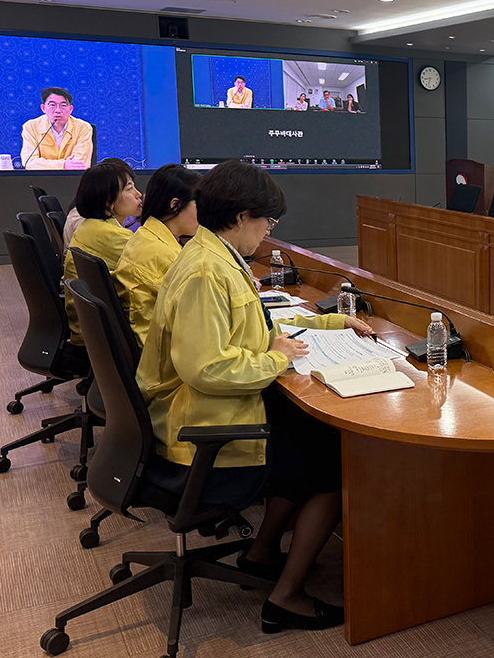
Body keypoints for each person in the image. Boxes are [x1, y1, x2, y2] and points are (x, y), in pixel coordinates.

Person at [137, 159, 376, 633]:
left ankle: (263, 553)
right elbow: (207, 368)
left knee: (306, 435)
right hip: (200, 430)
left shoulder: (213, 254)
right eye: (268, 221)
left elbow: (255, 324)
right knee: (333, 467)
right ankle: (286, 598)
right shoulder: (207, 272)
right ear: (243, 215)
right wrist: (276, 361)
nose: (268, 232)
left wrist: (331, 322)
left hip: (206, 412)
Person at [115, 164, 201, 348]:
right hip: (162, 353)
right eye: (199, 205)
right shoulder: (165, 256)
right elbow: (199, 316)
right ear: (175, 205)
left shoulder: (145, 235)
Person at [63, 161, 142, 345]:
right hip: (105, 336)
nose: (138, 194)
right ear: (108, 201)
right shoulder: (113, 237)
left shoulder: (90, 226)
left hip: (89, 328)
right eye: (129, 189)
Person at [21, 87, 93, 170]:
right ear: (43, 108)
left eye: (63, 105)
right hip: (42, 177)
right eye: (52, 105)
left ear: (70, 109)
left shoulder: (83, 128)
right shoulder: (31, 127)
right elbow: (29, 162)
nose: (58, 110)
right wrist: (63, 165)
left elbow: (79, 163)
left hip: (74, 177)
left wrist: (48, 165)